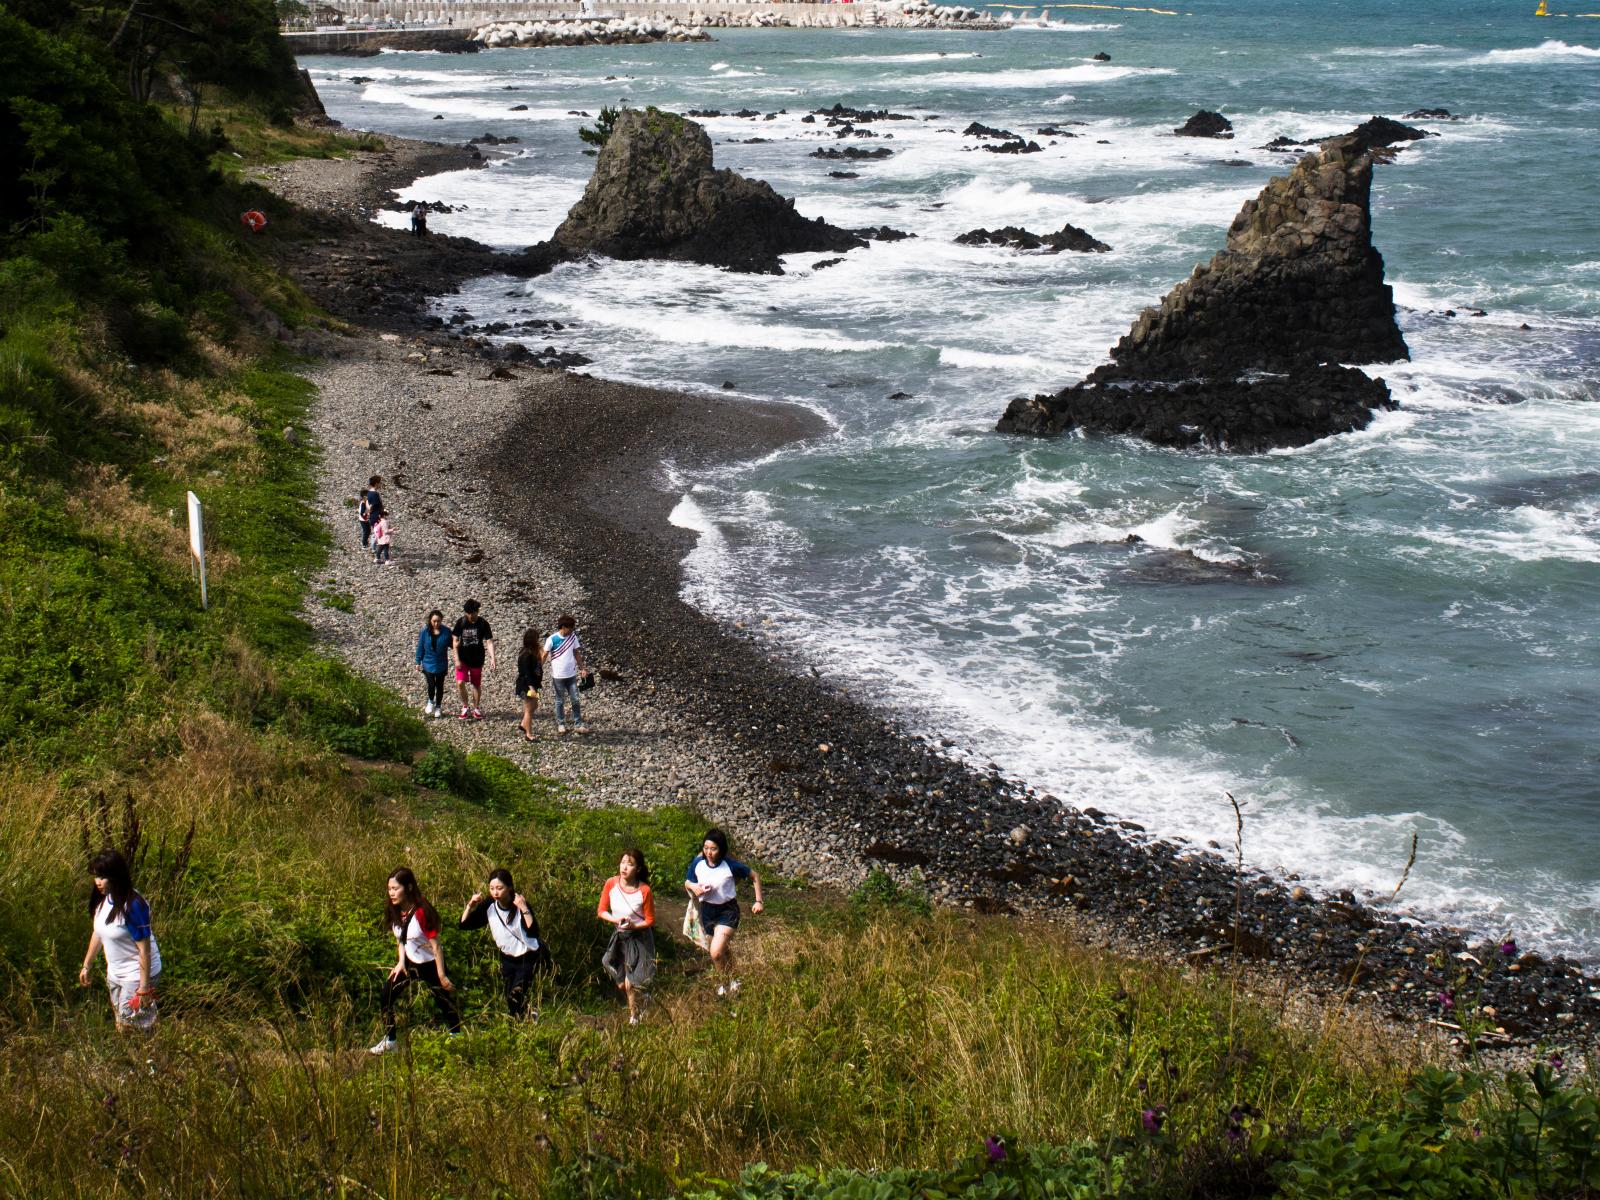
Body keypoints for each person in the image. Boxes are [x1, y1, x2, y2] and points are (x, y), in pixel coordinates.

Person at [372, 867, 461, 1055]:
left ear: (409, 887)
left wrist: (442, 975)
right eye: (389, 889)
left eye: (395, 888)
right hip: (410, 963)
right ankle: (390, 1040)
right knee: (386, 994)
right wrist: (401, 963)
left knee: (444, 1002)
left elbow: (436, 946)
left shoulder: (421, 912)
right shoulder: (394, 911)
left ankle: (457, 1038)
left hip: (430, 963)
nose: (391, 893)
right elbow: (400, 939)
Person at [78, 849, 162, 1032]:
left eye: (103, 877)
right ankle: (133, 1054)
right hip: (115, 972)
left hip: (137, 973)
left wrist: (144, 987)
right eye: (96, 876)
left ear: (116, 876)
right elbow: (98, 933)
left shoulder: (133, 905)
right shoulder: (104, 900)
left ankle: (150, 1055)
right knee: (121, 1022)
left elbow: (144, 951)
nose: (98, 882)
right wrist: (87, 965)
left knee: (133, 1024)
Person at [459, 869, 551, 1018]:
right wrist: (470, 905)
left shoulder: (519, 903)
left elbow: (533, 931)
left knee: (515, 995)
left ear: (509, 887)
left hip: (526, 957)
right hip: (507, 958)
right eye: (492, 888)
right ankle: (527, 1017)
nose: (495, 892)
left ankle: (520, 1024)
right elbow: (464, 924)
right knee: (510, 998)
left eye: (499, 888)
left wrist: (524, 908)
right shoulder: (489, 905)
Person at [684, 829, 762, 995]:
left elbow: (754, 876)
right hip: (707, 911)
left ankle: (724, 985)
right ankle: (735, 979)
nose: (709, 853)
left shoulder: (730, 865)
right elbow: (687, 881)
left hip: (727, 910)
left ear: (721, 849)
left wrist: (758, 901)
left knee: (716, 952)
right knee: (723, 950)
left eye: (713, 849)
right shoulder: (698, 863)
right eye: (706, 848)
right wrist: (695, 887)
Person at [598, 849, 655, 1025]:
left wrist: (633, 925)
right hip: (620, 935)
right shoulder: (611, 883)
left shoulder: (644, 890)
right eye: (623, 862)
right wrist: (616, 920)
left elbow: (650, 919)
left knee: (630, 983)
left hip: (639, 938)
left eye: (630, 864)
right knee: (615, 972)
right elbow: (601, 911)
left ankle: (634, 1017)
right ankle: (642, 997)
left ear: (638, 869)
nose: (624, 867)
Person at [541, 614, 591, 736]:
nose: (572, 631)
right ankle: (561, 724)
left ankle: (578, 724)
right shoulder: (552, 639)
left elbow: (576, 653)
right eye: (570, 628)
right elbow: (544, 655)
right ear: (563, 627)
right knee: (560, 701)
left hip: (571, 674)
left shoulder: (573, 637)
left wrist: (582, 668)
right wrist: (537, 670)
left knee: (575, 699)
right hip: (558, 676)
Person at [452, 599, 495, 721]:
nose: (471, 615)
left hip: (477, 659)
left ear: (477, 611)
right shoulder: (461, 622)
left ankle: (476, 708)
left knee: (476, 684)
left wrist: (493, 659)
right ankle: (465, 706)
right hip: (463, 658)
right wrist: (456, 658)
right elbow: (454, 641)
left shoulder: (483, 624)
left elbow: (489, 642)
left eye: (474, 613)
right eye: (469, 613)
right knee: (460, 683)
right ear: (466, 613)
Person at [414, 608, 453, 718]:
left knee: (440, 686)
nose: (436, 623)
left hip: (441, 664)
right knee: (431, 685)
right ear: (430, 621)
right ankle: (431, 701)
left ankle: (438, 707)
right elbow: (420, 647)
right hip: (428, 663)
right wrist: (418, 661)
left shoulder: (446, 631)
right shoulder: (424, 632)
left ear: (441, 621)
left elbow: (453, 645)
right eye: (434, 621)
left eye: (438, 621)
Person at [513, 628, 542, 742]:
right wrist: (532, 688)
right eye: (537, 639)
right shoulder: (527, 655)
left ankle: (523, 724)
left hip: (534, 684)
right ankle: (528, 734)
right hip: (527, 686)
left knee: (534, 706)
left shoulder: (531, 652)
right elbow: (527, 673)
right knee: (529, 709)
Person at [357, 485, 373, 550]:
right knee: (366, 531)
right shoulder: (363, 503)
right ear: (364, 497)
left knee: (368, 531)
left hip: (365, 519)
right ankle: (364, 544)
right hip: (363, 520)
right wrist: (365, 519)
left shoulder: (365, 502)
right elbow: (361, 513)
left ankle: (365, 542)